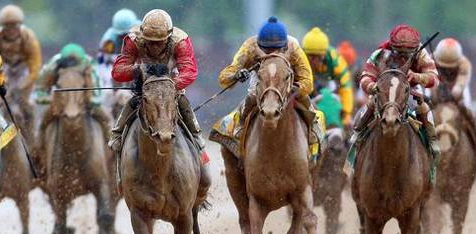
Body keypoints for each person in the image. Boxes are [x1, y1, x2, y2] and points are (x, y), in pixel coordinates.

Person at [108, 9, 204, 152]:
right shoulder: (133, 40)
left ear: (169, 37)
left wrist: (170, 85)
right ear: (143, 36)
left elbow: (189, 72)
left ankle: (196, 137)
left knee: (182, 101)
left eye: (159, 43)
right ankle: (117, 134)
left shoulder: (181, 42)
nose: (154, 47)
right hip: (145, 86)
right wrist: (136, 70)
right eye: (150, 42)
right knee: (133, 102)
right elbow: (117, 71)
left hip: (171, 85)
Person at [218, 16, 321, 145]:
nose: (271, 54)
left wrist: (295, 88)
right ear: (259, 44)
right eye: (267, 50)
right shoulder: (250, 46)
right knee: (251, 97)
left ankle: (314, 129)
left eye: (276, 50)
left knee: (305, 100)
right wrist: (236, 75)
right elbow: (224, 77)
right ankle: (240, 125)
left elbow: (308, 82)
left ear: (284, 46)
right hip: (261, 81)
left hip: (287, 82)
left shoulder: (293, 47)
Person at [356, 24, 440, 155]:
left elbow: (434, 78)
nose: (404, 56)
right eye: (400, 52)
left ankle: (432, 142)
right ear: (392, 46)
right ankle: (357, 136)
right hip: (384, 92)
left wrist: (417, 77)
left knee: (423, 107)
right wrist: (373, 87)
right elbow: (365, 76)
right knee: (370, 105)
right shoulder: (380, 54)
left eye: (408, 53)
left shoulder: (421, 53)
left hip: (409, 92)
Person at [35, 43, 112, 143]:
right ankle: (38, 148)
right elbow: (40, 90)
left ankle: (112, 144)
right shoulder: (53, 65)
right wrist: (51, 99)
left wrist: (90, 100)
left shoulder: (89, 64)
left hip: (84, 99)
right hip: (60, 101)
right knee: (43, 123)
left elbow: (98, 92)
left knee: (105, 118)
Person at [433, 37, 476, 168]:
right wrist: (436, 93)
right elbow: (430, 82)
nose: (447, 70)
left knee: (467, 111)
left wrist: (453, 93)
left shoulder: (465, 64)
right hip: (438, 90)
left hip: (458, 93)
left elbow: (460, 85)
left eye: (450, 67)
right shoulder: (431, 61)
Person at [0, 4, 42, 122]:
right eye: (7, 27)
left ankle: (33, 131)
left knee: (29, 103)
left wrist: (25, 83)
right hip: (4, 68)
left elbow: (35, 65)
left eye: (14, 26)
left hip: (23, 68)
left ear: (19, 25)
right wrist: (3, 80)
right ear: (2, 27)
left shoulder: (28, 37)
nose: (11, 30)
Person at [302, 27, 354, 128]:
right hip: (310, 89)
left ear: (325, 54)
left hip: (330, 90)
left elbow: (346, 86)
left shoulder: (335, 59)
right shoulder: (300, 57)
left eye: (319, 57)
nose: (314, 61)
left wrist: (347, 114)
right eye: (311, 57)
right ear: (305, 54)